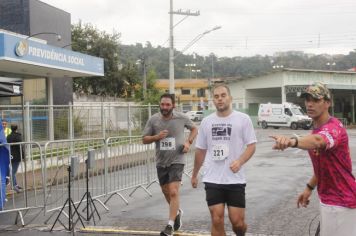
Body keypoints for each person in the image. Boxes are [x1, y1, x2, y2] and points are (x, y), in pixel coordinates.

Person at [270, 82, 356, 236]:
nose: (310, 104)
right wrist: (308, 188)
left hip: (341, 204)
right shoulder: (317, 129)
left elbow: (318, 141)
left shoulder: (334, 128)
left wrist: (292, 141)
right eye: (307, 100)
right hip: (329, 201)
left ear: (327, 103)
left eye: (316, 100)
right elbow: (323, 167)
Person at [191, 84, 257, 236]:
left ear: (230, 98)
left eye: (223, 95)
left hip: (235, 179)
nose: (220, 99)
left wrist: (240, 161)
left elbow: (251, 146)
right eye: (216, 96)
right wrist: (194, 174)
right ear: (213, 100)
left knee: (238, 223)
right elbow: (200, 150)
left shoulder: (243, 119)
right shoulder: (207, 122)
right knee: (216, 218)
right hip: (213, 177)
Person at [142, 93, 198, 236]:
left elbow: (194, 129)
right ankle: (177, 213)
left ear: (173, 105)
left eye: (168, 105)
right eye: (162, 104)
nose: (165, 107)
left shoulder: (181, 117)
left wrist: (188, 142)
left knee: (173, 191)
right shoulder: (153, 120)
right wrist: (156, 137)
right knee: (166, 192)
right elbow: (144, 139)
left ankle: (170, 226)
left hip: (177, 160)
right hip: (161, 162)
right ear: (159, 105)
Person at [7, 124, 24, 193]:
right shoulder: (18, 136)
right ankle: (14, 185)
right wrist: (23, 156)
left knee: (13, 171)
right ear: (16, 129)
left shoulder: (8, 136)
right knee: (13, 171)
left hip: (10, 155)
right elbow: (21, 147)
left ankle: (15, 184)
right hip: (17, 156)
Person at [0, 118, 10, 211]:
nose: (3, 125)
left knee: (6, 176)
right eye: (2, 123)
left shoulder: (8, 130)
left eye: (5, 124)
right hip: (3, 155)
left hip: (4, 155)